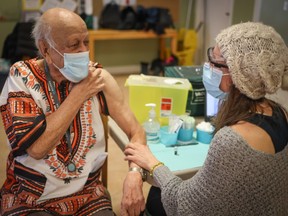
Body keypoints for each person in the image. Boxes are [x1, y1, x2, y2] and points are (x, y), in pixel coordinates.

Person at [124, 22, 288, 216]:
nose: (207, 67)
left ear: (238, 76)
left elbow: (184, 205)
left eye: (215, 63)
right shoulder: (280, 112)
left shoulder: (232, 140)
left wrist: (153, 163)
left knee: (154, 195)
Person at [0, 8, 147, 216]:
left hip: (88, 195)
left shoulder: (98, 78)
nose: (83, 51)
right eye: (74, 44)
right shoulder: (21, 77)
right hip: (30, 198)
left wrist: (134, 173)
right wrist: (79, 94)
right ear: (46, 49)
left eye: (85, 42)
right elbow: (36, 149)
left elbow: (137, 131)